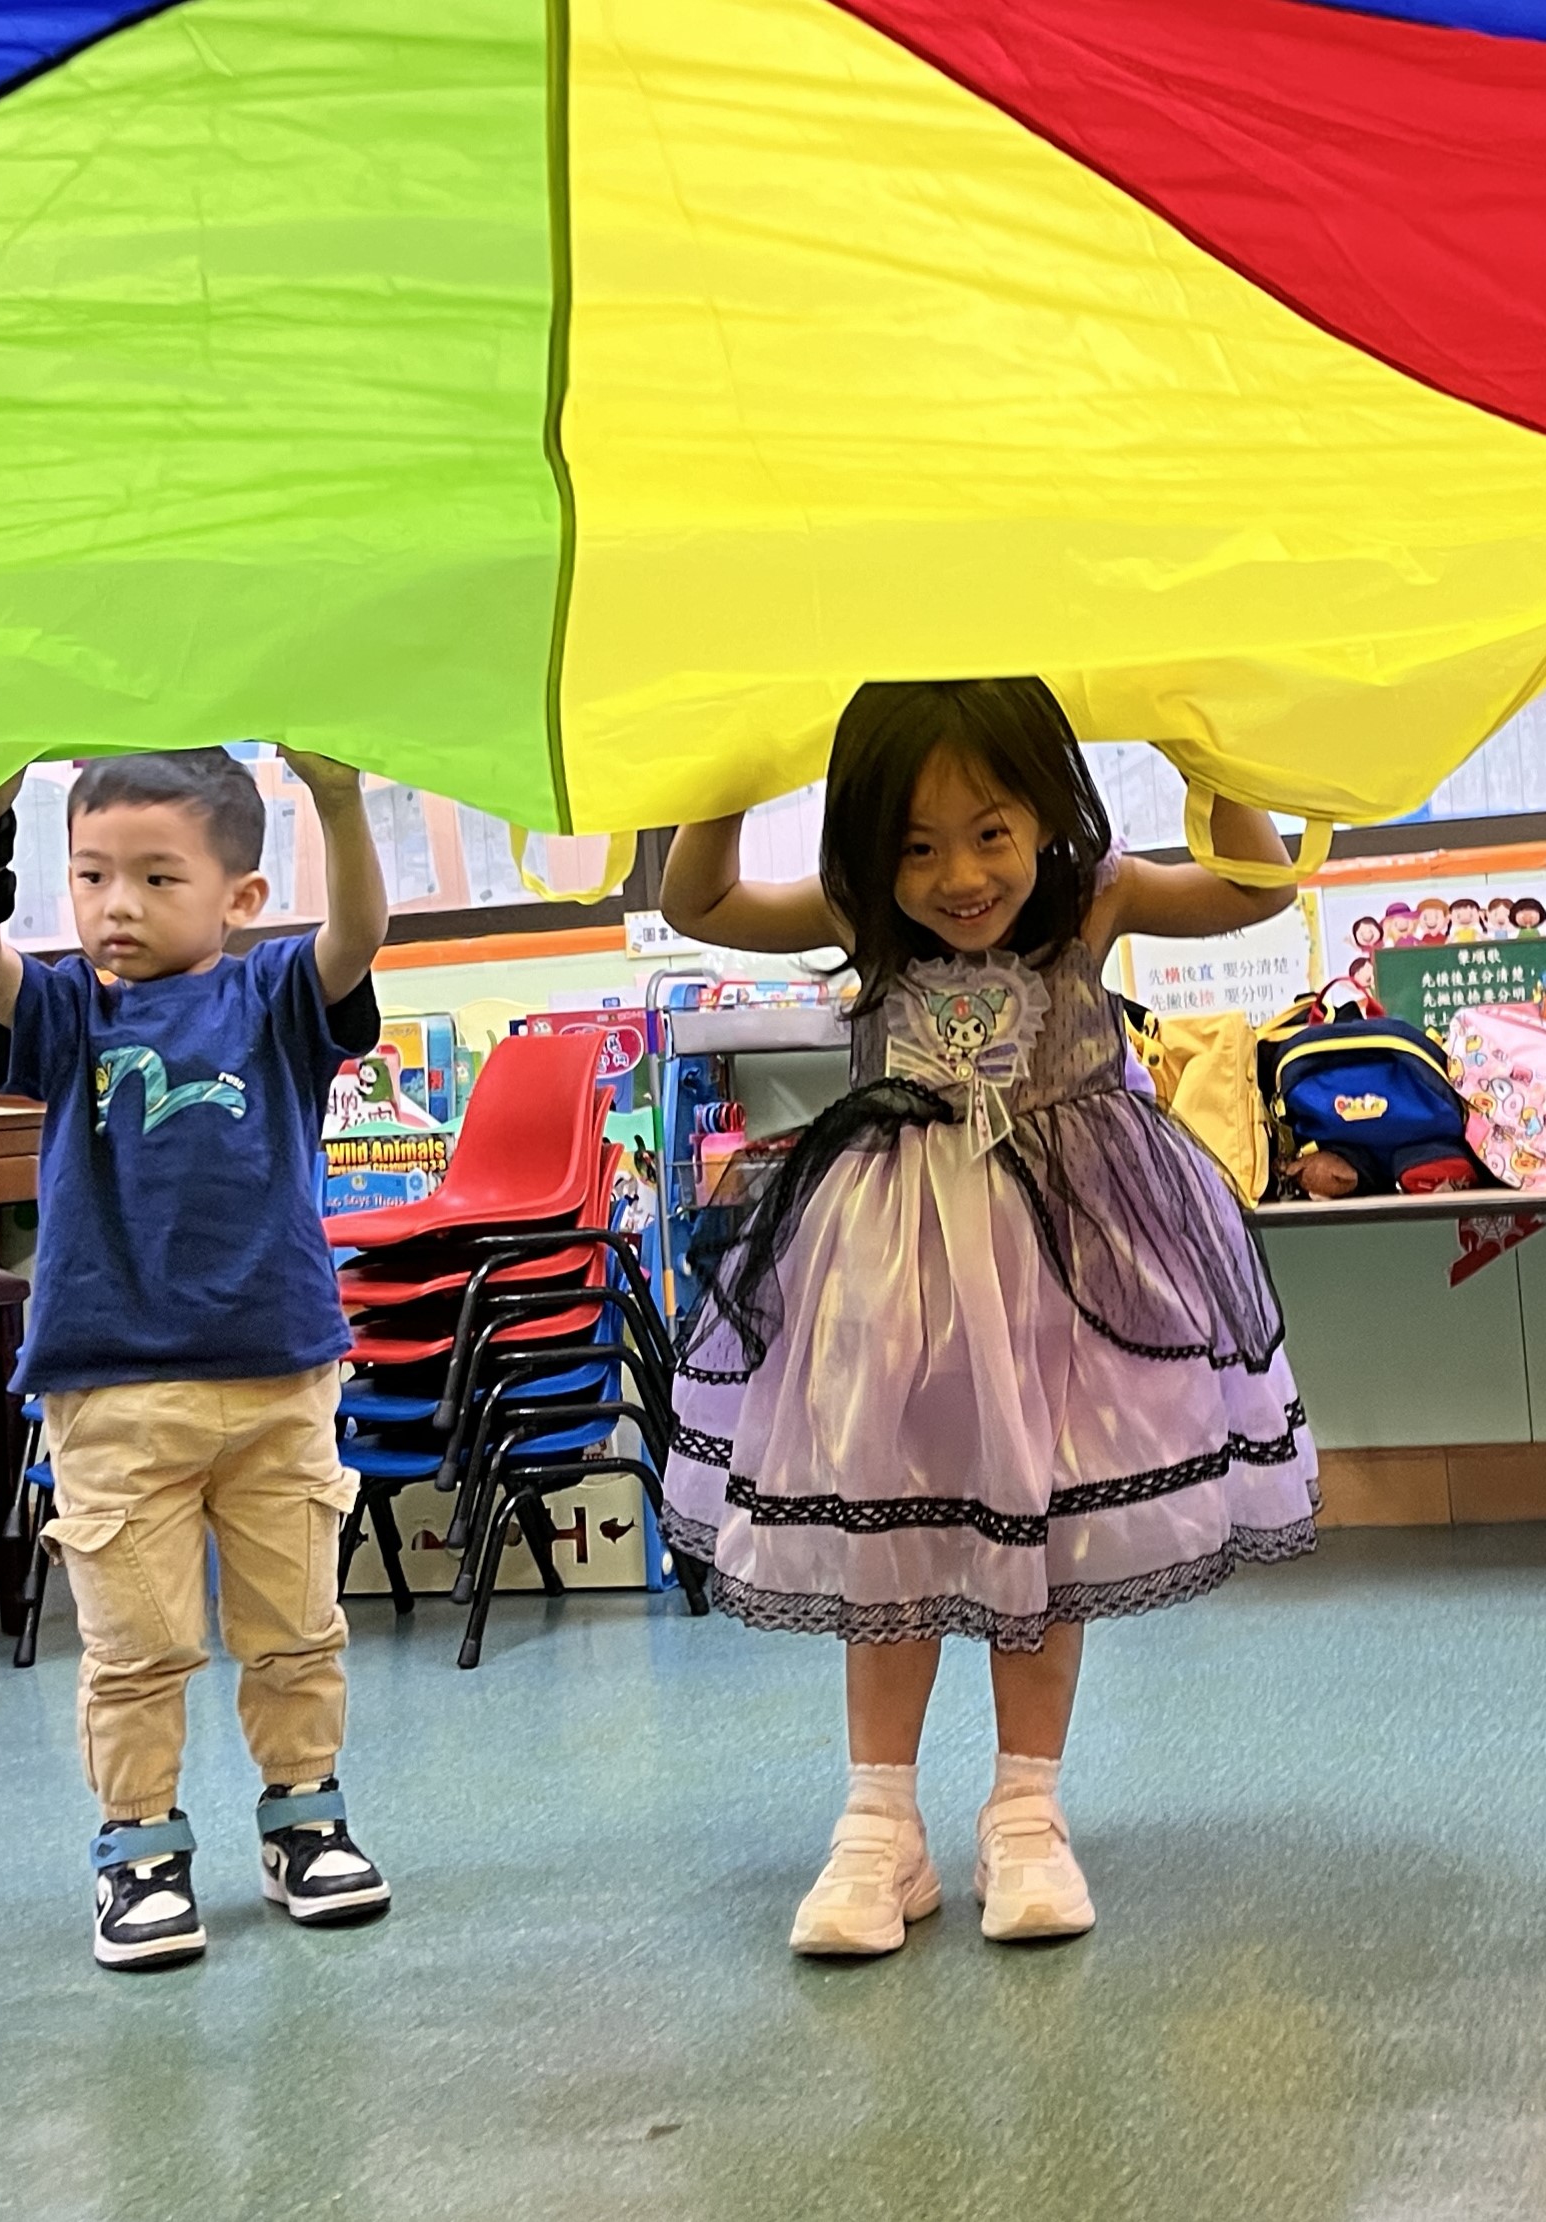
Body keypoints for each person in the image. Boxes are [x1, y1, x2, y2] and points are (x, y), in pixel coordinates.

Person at [658, 679, 1317, 1958]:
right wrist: (725, 761)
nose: (958, 876)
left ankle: (1026, 1807)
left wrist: (1199, 743)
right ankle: (878, 1823)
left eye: (990, 832)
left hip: (1065, 1265)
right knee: (887, 1528)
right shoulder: (864, 913)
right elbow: (702, 901)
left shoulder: (1094, 894)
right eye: (916, 845)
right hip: (891, 1271)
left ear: (1045, 811)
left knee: (1050, 1527)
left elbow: (1257, 885)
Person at [0, 747, 393, 1970]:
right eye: (91, 875)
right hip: (113, 1382)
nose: (116, 904)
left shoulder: (275, 994)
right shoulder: (73, 1009)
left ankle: (304, 1819)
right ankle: (140, 1848)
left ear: (240, 895)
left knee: (297, 1625)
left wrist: (339, 799)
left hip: (277, 1370)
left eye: (157, 877)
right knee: (134, 1643)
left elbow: (355, 937)